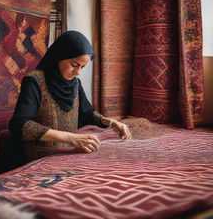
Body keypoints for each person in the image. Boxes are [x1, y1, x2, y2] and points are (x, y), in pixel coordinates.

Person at [9, 30, 131, 167]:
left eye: (82, 67)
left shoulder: (75, 84)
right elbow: (21, 125)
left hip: (68, 155)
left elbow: (86, 114)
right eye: (74, 65)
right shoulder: (34, 81)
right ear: (59, 57)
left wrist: (111, 122)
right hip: (38, 158)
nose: (78, 72)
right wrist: (72, 138)